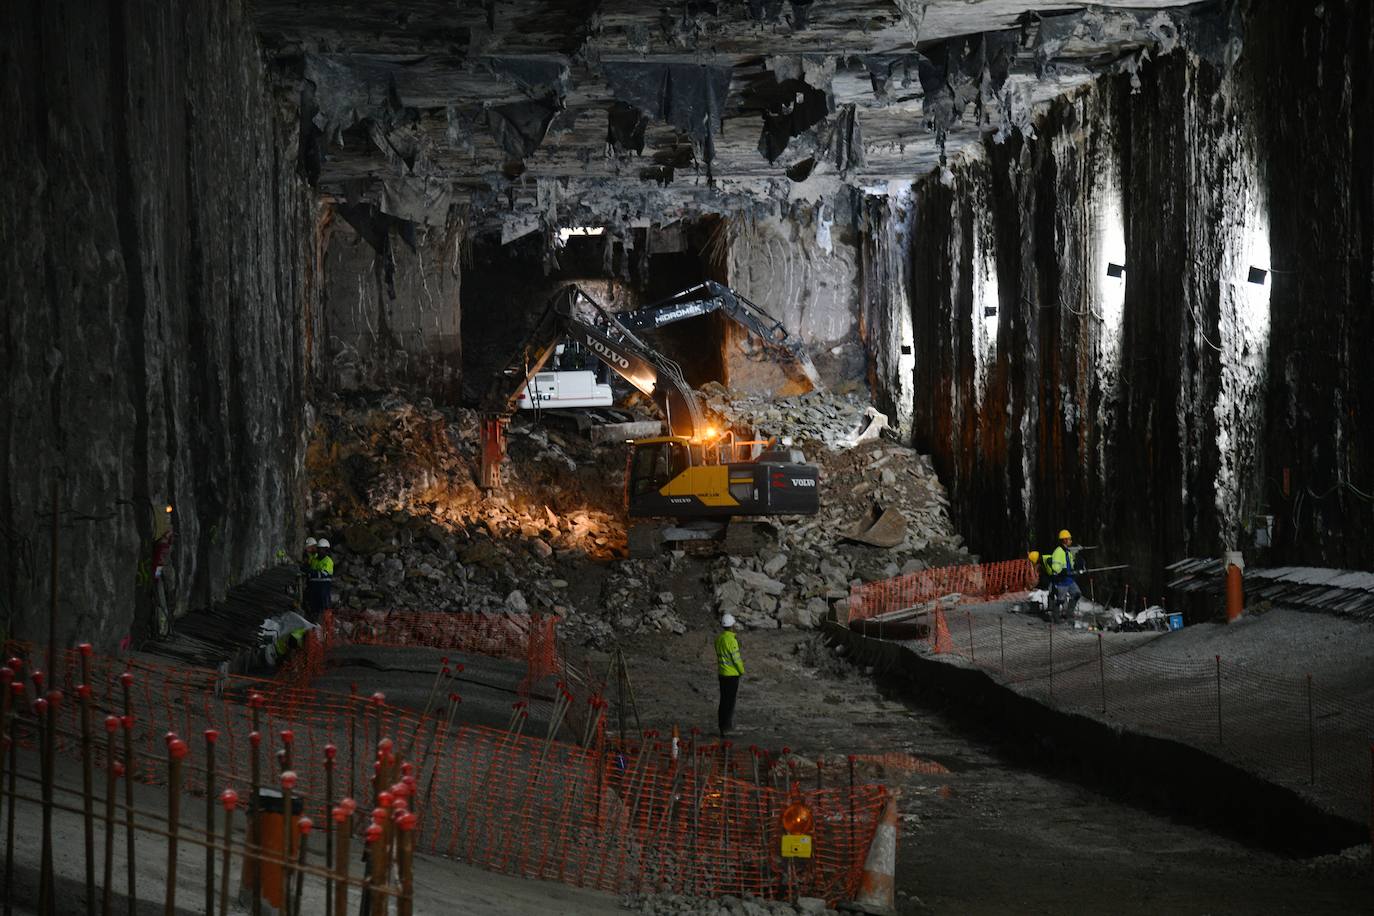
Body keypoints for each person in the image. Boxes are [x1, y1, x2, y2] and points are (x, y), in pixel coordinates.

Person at [714, 613, 745, 736]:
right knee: (730, 702)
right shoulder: (731, 641)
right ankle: (727, 728)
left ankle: (722, 726)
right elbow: (736, 659)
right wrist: (741, 671)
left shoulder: (719, 639)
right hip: (732, 675)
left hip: (722, 674)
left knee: (723, 701)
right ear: (732, 625)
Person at [1045, 529, 1081, 622]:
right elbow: (1055, 565)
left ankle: (1069, 613)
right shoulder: (1058, 552)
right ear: (1064, 540)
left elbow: (1071, 564)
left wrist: (1077, 566)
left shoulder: (1068, 552)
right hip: (1062, 581)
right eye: (1069, 539)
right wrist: (1061, 571)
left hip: (1069, 579)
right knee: (1060, 600)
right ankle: (1055, 617)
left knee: (1077, 594)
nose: (1071, 541)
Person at [304, 537, 334, 621]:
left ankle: (327, 626)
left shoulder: (328, 561)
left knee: (324, 608)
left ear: (326, 550)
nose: (320, 551)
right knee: (313, 608)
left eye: (322, 549)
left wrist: (310, 571)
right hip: (314, 588)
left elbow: (323, 574)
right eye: (319, 549)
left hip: (323, 588)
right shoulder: (315, 560)